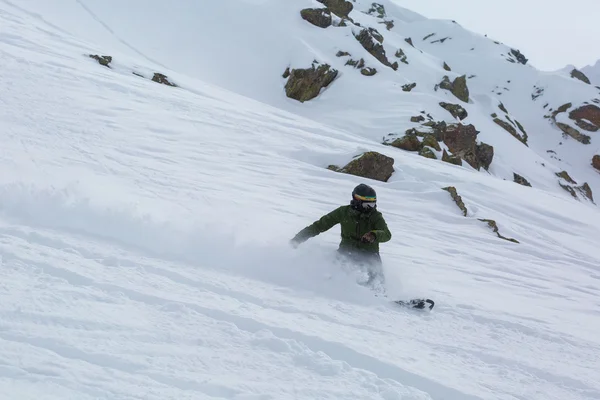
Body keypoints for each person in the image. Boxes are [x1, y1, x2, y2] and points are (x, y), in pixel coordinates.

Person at [290, 183, 392, 288]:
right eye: (367, 205)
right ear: (357, 201)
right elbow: (318, 226)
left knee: (375, 286)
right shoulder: (344, 212)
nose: (370, 208)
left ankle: (381, 298)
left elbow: (387, 234)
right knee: (332, 277)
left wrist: (374, 235)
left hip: (369, 257)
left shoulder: (375, 216)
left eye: (373, 204)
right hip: (345, 253)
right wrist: (297, 239)